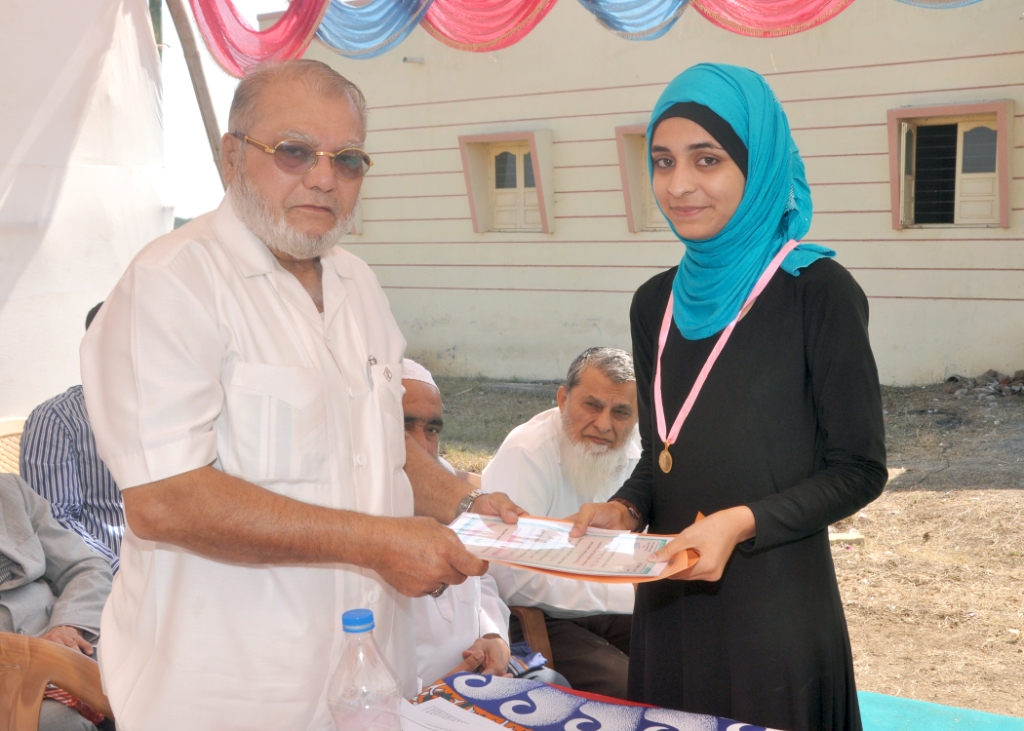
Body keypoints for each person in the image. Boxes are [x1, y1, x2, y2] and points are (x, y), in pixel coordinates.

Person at [79, 59, 521, 731]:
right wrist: (376, 543)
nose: (323, 177)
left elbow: (378, 447)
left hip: (367, 682)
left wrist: (463, 501)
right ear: (233, 156)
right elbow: (165, 498)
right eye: (294, 151)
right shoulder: (171, 284)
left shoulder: (358, 284)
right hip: (229, 697)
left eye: (348, 160)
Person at [569, 64, 887, 731]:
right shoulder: (655, 301)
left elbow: (858, 468)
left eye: (707, 159)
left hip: (774, 615)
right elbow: (665, 451)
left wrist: (739, 522)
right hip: (669, 604)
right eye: (662, 161)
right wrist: (625, 508)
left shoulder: (817, 292)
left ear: (758, 163)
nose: (679, 184)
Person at [482, 347, 640, 699]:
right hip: (535, 615)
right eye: (592, 405)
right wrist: (626, 594)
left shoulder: (637, 452)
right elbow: (514, 579)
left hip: (610, 601)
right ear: (563, 399)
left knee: (686, 654)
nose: (604, 424)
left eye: (621, 412)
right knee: (628, 684)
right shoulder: (528, 452)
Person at [402, 359, 511, 688]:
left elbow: (482, 580)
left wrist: (493, 636)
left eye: (431, 430)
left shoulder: (454, 489)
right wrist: (431, 692)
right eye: (404, 428)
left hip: (482, 680)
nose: (421, 445)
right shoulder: (348, 510)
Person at [0, 473, 113, 731]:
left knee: (159, 682)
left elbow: (87, 568)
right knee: (62, 722)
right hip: (10, 677)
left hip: (68, 643)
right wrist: (32, 656)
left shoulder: (9, 490)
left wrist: (68, 626)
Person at [20, 302, 124, 573]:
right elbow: (54, 522)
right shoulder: (56, 419)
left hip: (180, 571)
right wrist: (123, 573)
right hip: (102, 574)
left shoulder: (175, 410)